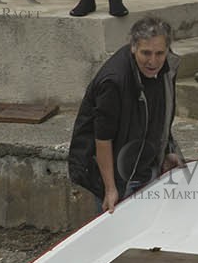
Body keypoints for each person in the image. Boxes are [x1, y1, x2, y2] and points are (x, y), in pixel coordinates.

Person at [68, 16, 184, 214]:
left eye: (159, 53)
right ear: (133, 47)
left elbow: (160, 115)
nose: (153, 61)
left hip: (146, 167)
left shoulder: (167, 70)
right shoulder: (114, 82)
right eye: (146, 53)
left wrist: (167, 150)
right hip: (116, 174)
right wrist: (110, 188)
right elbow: (103, 138)